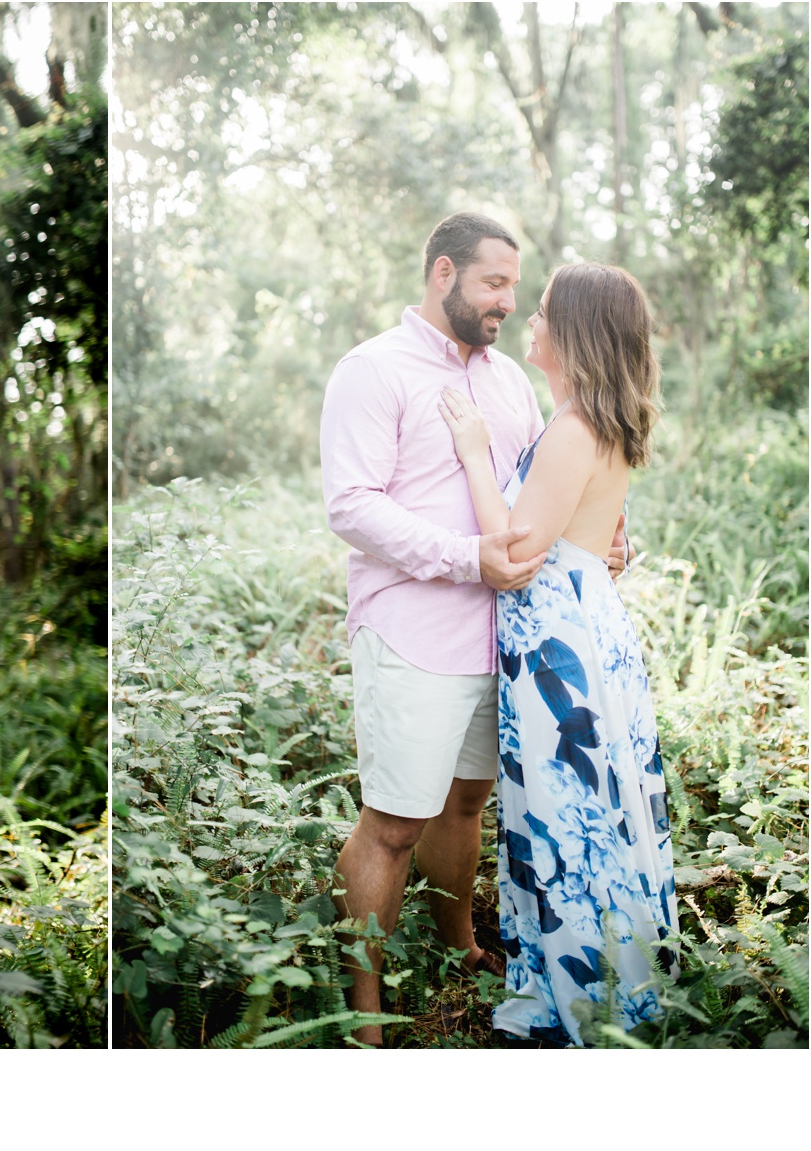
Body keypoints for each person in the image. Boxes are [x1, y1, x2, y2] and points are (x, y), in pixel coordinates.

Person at [318, 212, 625, 1046]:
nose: (504, 304)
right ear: (444, 273)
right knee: (393, 822)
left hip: (507, 639)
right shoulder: (372, 370)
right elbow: (350, 504)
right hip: (413, 633)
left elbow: (541, 486)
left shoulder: (509, 384)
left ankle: (458, 942)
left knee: (465, 802)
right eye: (493, 285)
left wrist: (605, 531)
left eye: (514, 291)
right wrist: (465, 558)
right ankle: (365, 1014)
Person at [435, 262, 675, 1046]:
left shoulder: (575, 428)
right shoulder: (594, 420)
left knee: (563, 807)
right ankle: (590, 970)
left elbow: (517, 547)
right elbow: (595, 536)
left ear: (573, 330)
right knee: (585, 802)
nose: (529, 321)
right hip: (582, 629)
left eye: (540, 311)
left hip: (558, 649)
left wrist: (472, 449)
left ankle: (581, 993)